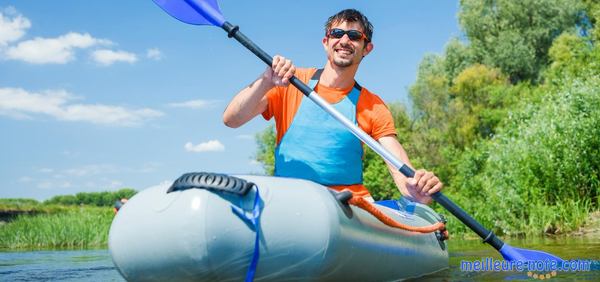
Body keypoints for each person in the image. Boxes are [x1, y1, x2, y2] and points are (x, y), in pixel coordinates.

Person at [223, 9, 443, 204]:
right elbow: (232, 119)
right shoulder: (290, 81)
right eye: (337, 34)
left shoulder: (373, 106)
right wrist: (266, 81)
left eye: (355, 36)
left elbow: (401, 172)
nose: (345, 40)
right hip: (290, 202)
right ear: (325, 42)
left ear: (367, 48)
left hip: (346, 207)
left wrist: (418, 189)